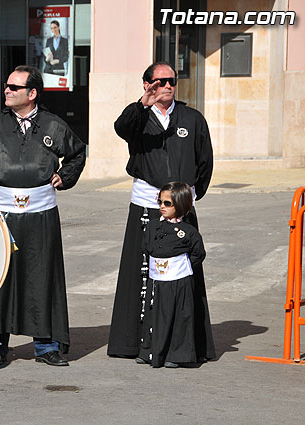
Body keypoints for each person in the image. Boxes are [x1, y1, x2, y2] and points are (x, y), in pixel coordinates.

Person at [0, 65, 86, 367]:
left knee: (41, 276)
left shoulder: (54, 125)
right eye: (7, 86)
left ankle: (46, 345)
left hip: (41, 213)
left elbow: (77, 153)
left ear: (32, 93)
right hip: (2, 213)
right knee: (2, 276)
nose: (7, 91)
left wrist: (65, 175)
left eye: (14, 87)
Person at [107, 61, 215, 363]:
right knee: (143, 276)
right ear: (147, 85)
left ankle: (184, 346)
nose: (167, 86)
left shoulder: (191, 118)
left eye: (172, 81)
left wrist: (191, 196)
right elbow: (120, 128)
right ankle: (137, 344)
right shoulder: (139, 119)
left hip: (181, 211)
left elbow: (204, 160)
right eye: (160, 81)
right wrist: (143, 105)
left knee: (182, 276)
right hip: (146, 207)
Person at [137, 182, 206, 368]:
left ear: (181, 205)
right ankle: (149, 351)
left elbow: (198, 253)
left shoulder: (188, 232)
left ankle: (176, 355)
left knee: (178, 318)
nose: (161, 206)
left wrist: (181, 267)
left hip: (178, 281)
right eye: (160, 201)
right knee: (153, 316)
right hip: (157, 281)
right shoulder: (152, 227)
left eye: (167, 203)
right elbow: (146, 247)